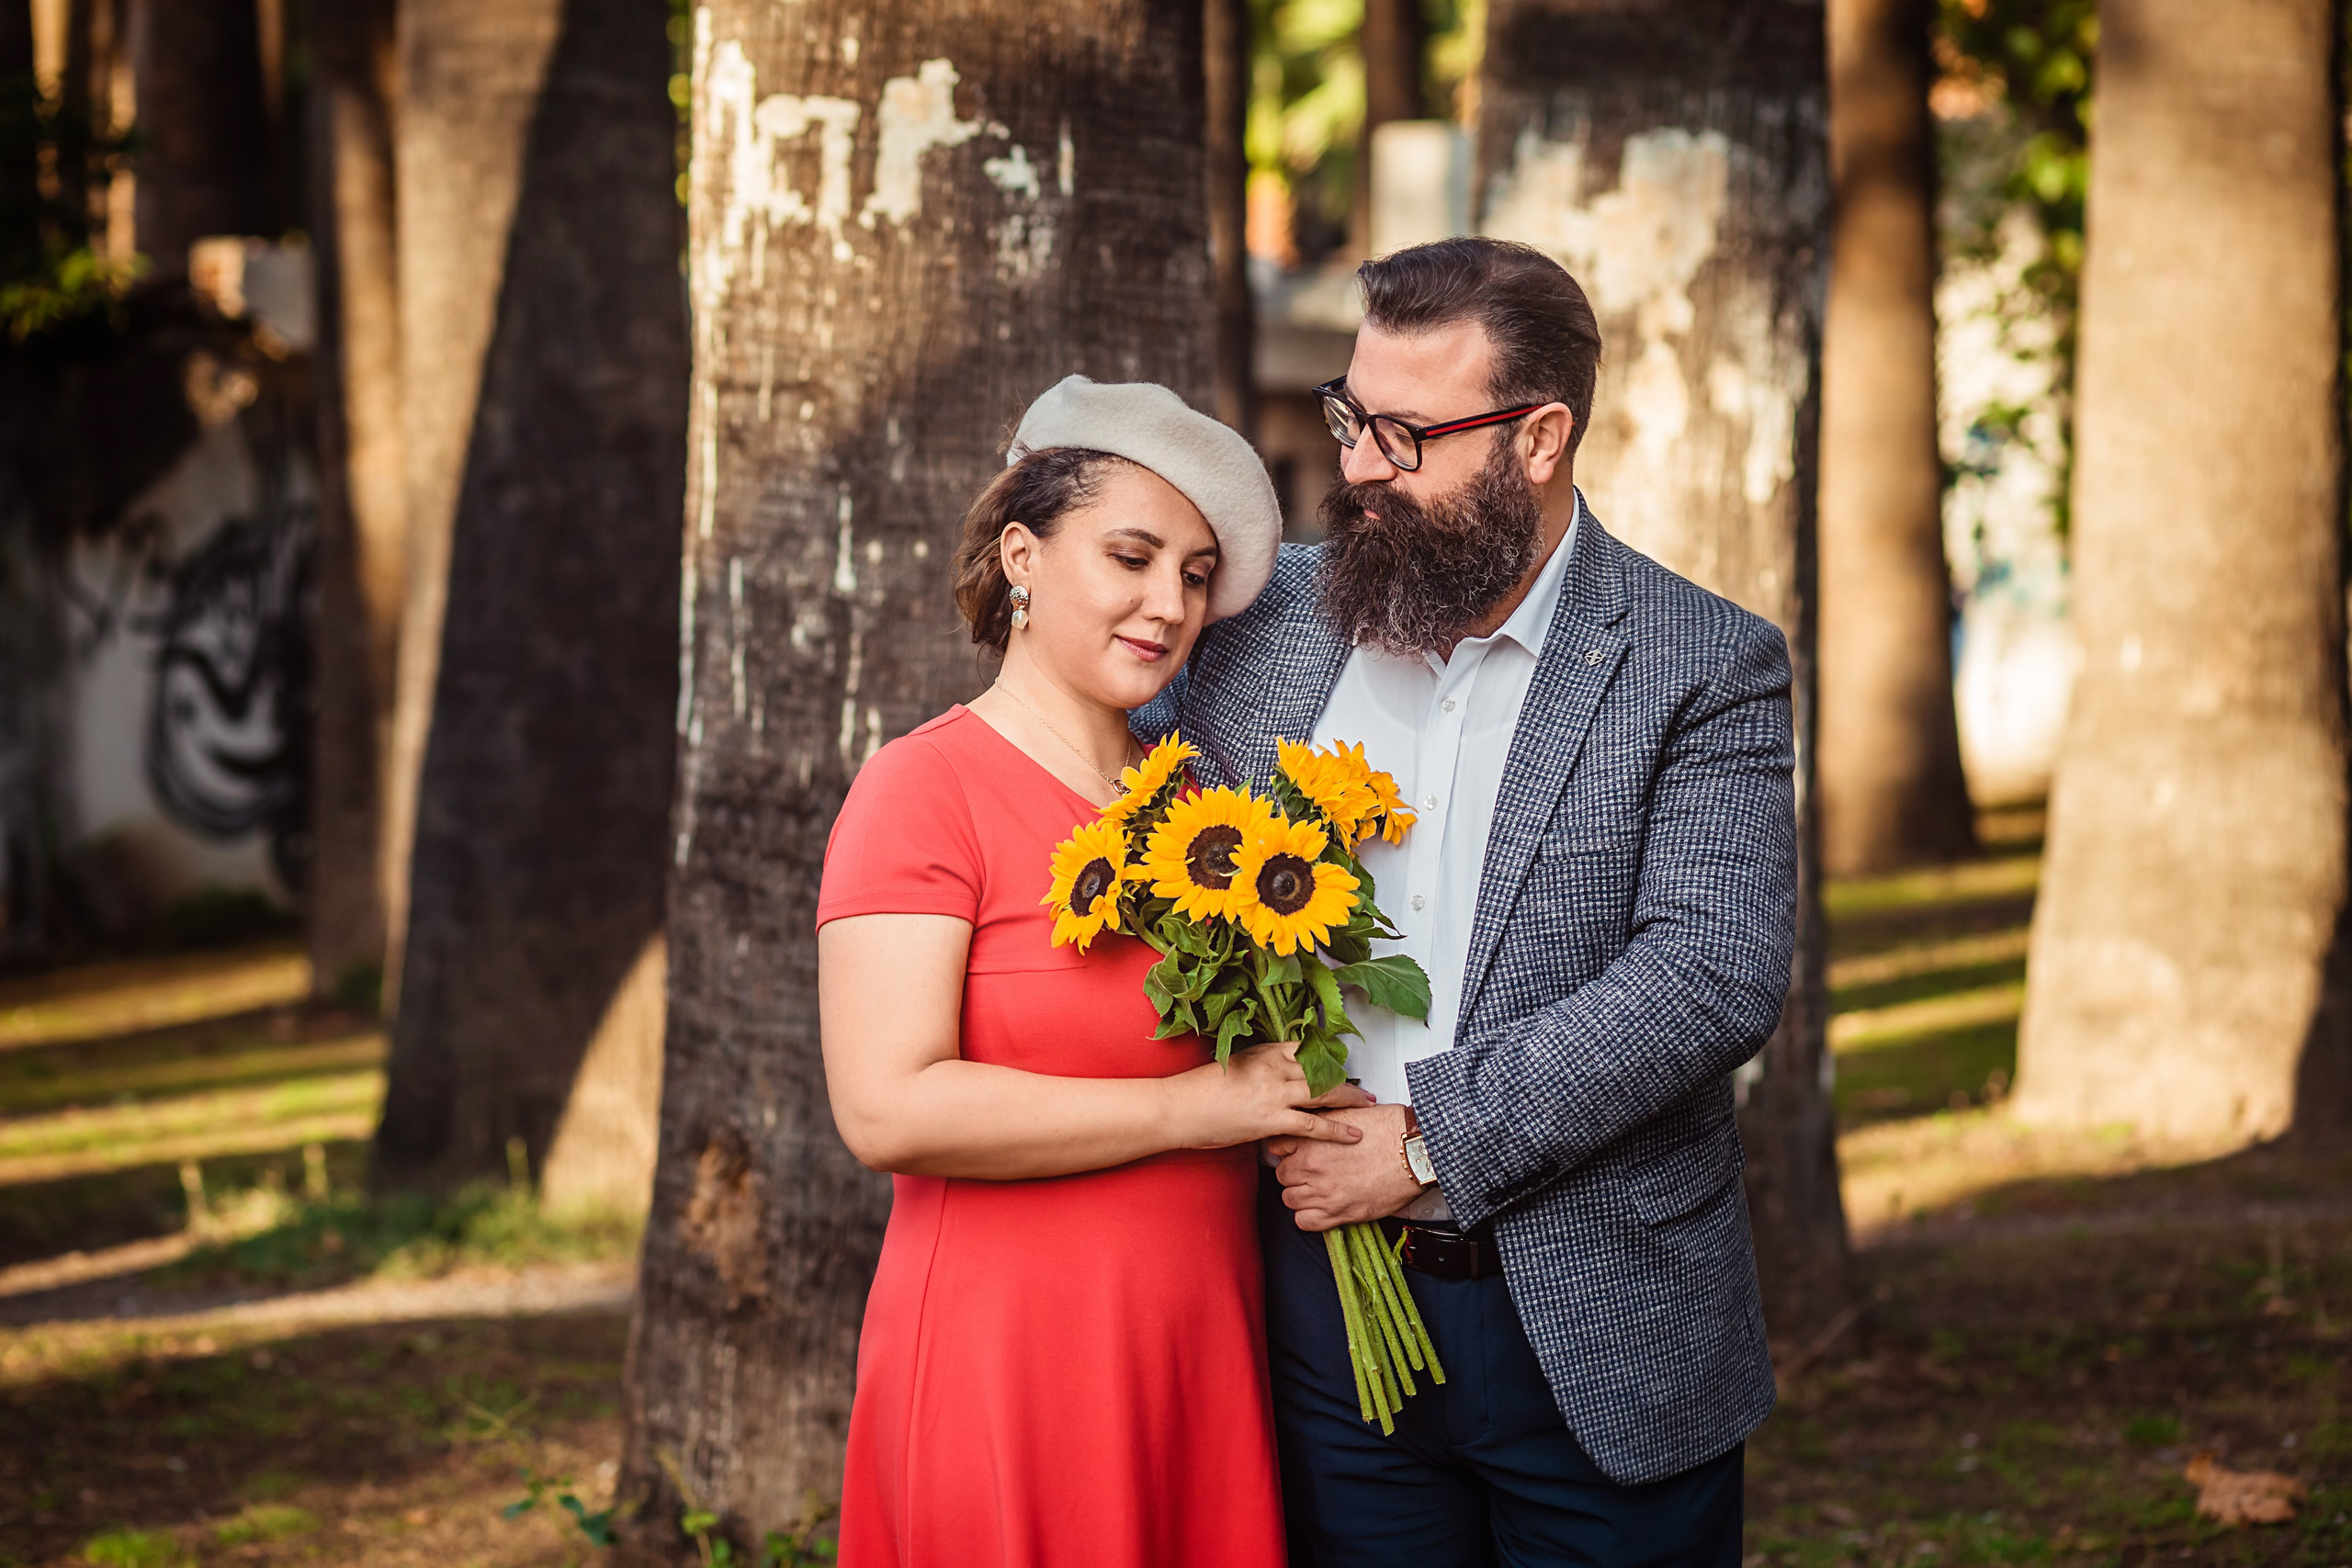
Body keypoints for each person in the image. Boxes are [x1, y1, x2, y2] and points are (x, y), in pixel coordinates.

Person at [1137, 236, 1797, 1566]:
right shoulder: (1261, 633)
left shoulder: (1703, 662)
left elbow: (1712, 969)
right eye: (1349, 414)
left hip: (1602, 1320)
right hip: (1320, 1326)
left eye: (1405, 433)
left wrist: (1428, 1139)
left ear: (1539, 438)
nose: (1360, 465)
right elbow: (1114, 788)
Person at [817, 376, 1367, 1568]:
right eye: (1130, 556)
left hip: (1202, 1347)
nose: (1167, 602)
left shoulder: (1207, 810)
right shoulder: (923, 790)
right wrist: (1192, 1108)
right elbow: (885, 1104)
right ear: (1022, 555)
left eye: (1195, 574)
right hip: (1006, 1352)